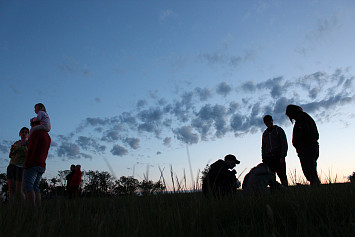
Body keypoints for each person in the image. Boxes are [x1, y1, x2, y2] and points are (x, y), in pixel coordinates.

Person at [285, 104, 321, 185]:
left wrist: (300, 146)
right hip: (308, 148)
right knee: (311, 171)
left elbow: (306, 134)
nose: (291, 118)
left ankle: (317, 189)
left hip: (307, 149)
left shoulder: (302, 119)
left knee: (310, 171)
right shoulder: (302, 118)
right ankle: (316, 188)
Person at [23, 129, 51, 207]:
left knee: (28, 185)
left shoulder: (36, 133)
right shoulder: (47, 136)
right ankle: (38, 208)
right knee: (36, 187)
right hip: (42, 165)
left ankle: (32, 208)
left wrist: (27, 163)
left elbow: (31, 149)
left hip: (33, 164)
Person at [261, 115, 288, 186]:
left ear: (272, 121)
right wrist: (264, 158)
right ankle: (274, 193)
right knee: (271, 178)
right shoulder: (265, 134)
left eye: (269, 121)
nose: (268, 123)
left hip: (278, 157)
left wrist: (282, 156)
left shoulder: (279, 130)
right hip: (268, 159)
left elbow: (284, 144)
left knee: (282, 176)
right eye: (266, 122)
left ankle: (286, 192)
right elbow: (263, 147)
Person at [7, 127, 29, 204]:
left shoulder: (28, 144)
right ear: (20, 134)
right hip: (12, 165)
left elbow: (28, 156)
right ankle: (11, 208)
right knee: (11, 188)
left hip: (20, 167)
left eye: (26, 132)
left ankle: (24, 207)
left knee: (19, 190)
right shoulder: (16, 143)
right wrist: (13, 150)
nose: (24, 133)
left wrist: (24, 148)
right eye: (22, 132)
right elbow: (10, 155)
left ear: (28, 134)